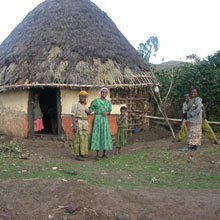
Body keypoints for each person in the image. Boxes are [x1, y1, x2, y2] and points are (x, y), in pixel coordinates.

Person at [87, 88, 112, 160]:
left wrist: (107, 112)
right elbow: (91, 109)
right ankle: (97, 154)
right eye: (103, 92)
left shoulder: (108, 103)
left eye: (106, 92)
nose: (104, 93)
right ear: (100, 93)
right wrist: (88, 111)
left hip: (104, 120)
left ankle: (104, 153)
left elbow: (109, 110)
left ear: (107, 94)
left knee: (104, 135)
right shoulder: (96, 101)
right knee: (97, 135)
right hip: (97, 119)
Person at [71, 91, 89, 161]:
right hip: (78, 123)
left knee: (84, 139)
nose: (83, 98)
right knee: (77, 139)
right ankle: (77, 155)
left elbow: (87, 115)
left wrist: (88, 112)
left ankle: (82, 153)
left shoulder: (86, 105)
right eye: (82, 96)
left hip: (85, 123)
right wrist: (74, 126)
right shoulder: (75, 104)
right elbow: (73, 115)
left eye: (84, 97)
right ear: (79, 97)